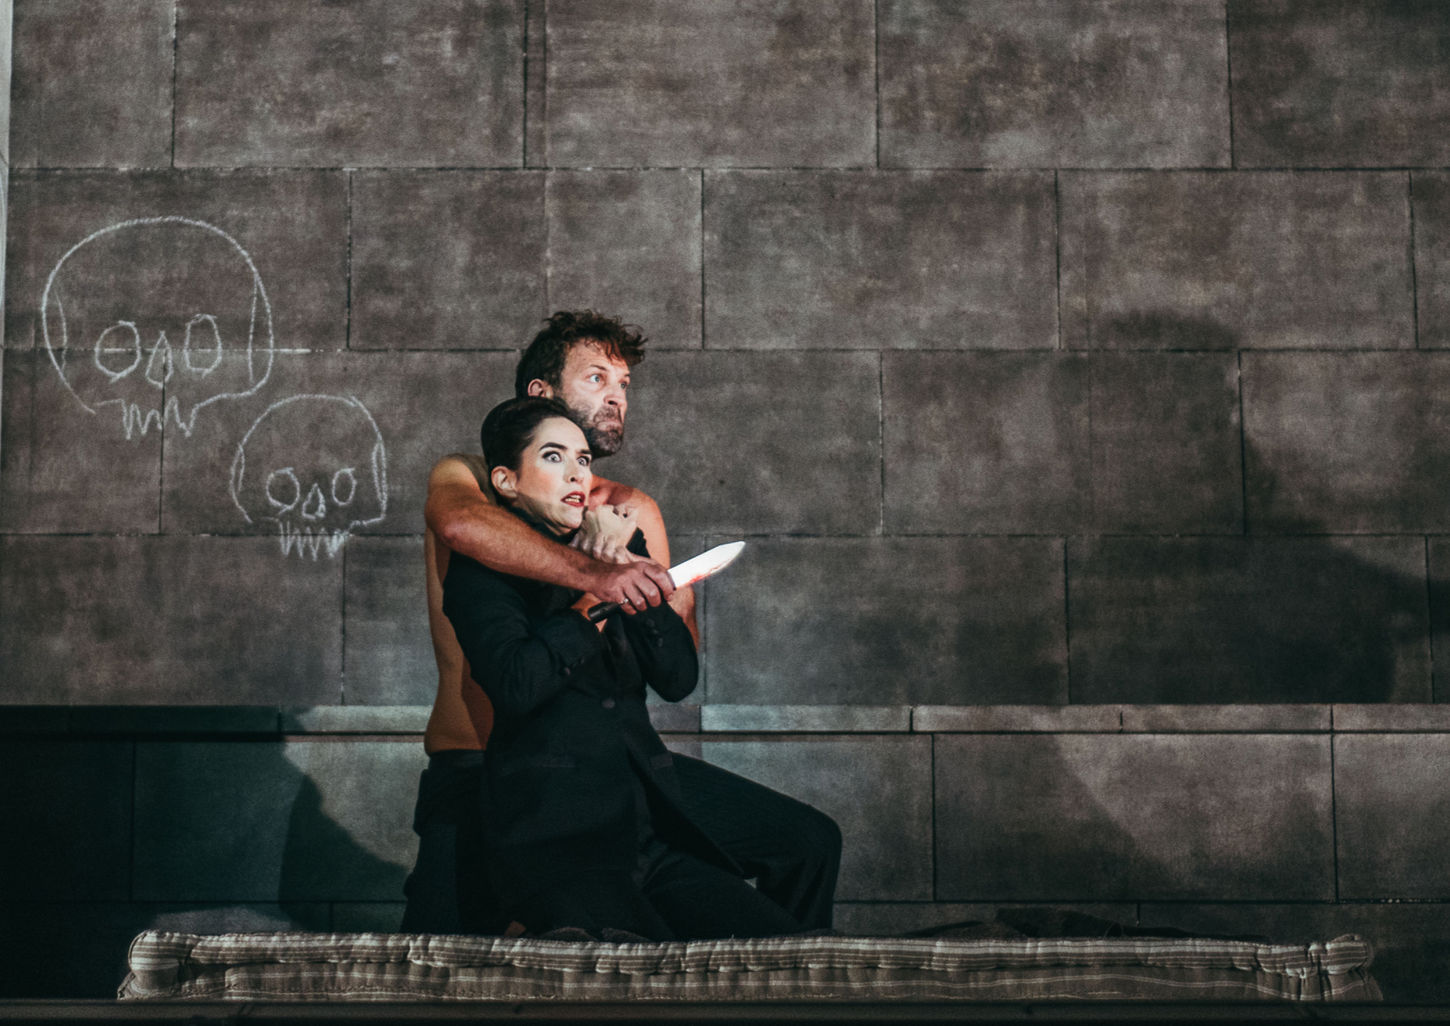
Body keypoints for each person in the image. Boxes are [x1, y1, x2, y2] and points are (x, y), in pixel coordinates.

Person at [402, 310, 840, 936]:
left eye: (624, 382)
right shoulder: (470, 477)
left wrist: (636, 579)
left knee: (805, 842)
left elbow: (676, 662)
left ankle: (778, 976)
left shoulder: (631, 509)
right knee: (433, 958)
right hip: (481, 765)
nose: (617, 395)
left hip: (612, 764)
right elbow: (461, 526)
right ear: (541, 392)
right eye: (597, 377)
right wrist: (599, 577)